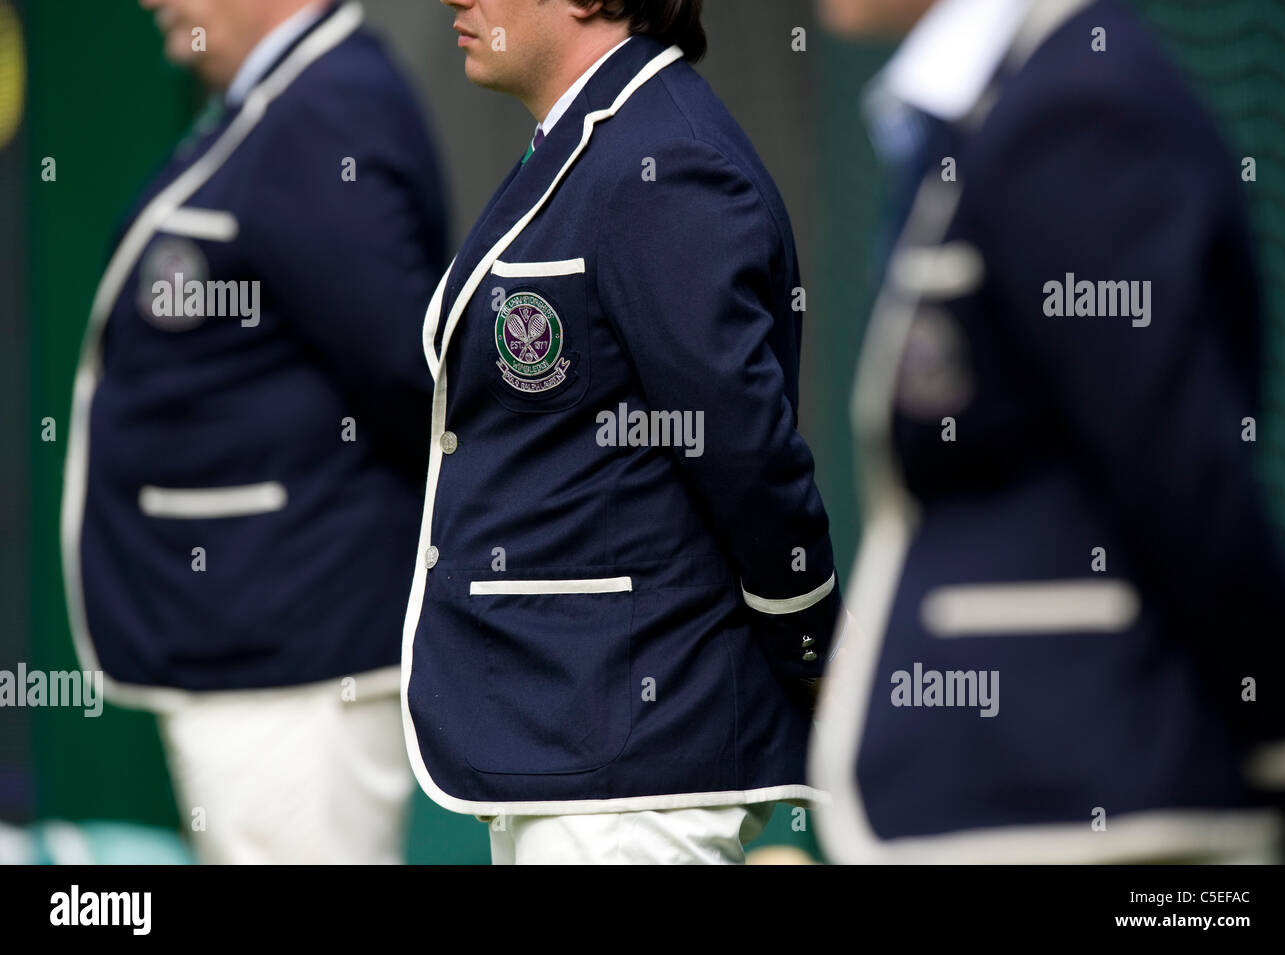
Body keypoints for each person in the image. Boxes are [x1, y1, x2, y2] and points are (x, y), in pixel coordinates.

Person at [810, 0, 1285, 863]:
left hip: (1086, 809)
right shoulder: (995, 103)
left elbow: (1185, 478)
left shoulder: (1079, 108)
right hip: (1010, 804)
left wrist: (1282, 737)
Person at [402, 0, 841, 864]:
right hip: (580, 751)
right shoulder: (600, 136)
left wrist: (813, 643)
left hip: (632, 763)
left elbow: (745, 449)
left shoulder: (664, 157)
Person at [63, 0, 449, 863]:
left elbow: (413, 378)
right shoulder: (287, 98)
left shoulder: (325, 108)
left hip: (298, 671)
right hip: (258, 659)